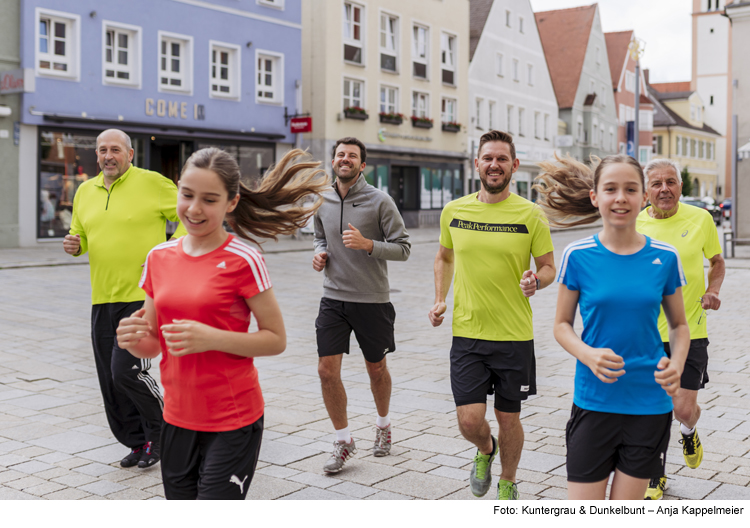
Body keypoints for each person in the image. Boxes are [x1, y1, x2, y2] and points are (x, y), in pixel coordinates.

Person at [116, 147, 328, 499]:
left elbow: (276, 339)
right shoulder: (158, 257)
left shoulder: (244, 258)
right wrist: (133, 338)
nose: (194, 208)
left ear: (231, 202)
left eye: (209, 199)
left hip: (233, 420)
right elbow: (153, 341)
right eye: (187, 195)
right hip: (177, 417)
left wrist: (212, 338)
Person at [534, 154, 690, 500]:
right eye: (611, 189)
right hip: (594, 399)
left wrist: (676, 364)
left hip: (649, 403)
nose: (621, 197)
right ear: (595, 197)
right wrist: (587, 354)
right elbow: (561, 325)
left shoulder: (665, 257)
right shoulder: (578, 255)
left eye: (630, 189)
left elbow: (679, 325)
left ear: (643, 197)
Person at [428, 130, 555, 500]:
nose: (494, 165)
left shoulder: (531, 215)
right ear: (477, 163)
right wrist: (440, 299)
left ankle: (508, 481)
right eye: (488, 158)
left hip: (514, 335)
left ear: (514, 166)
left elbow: (548, 267)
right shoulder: (455, 211)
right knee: (469, 420)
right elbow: (444, 257)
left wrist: (536, 281)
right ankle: (485, 449)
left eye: (502, 159)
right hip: (468, 334)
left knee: (508, 418)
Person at [64, 129, 185, 469]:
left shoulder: (154, 183)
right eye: (102, 150)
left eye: (115, 149)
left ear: (130, 154)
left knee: (125, 372)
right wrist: (75, 246)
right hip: (102, 297)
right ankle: (138, 441)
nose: (107, 155)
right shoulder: (85, 191)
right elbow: (81, 236)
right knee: (110, 381)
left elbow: (189, 218)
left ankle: (164, 431)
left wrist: (166, 250)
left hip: (142, 297)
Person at [313, 137, 410, 473]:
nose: (345, 159)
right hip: (333, 298)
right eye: (340, 154)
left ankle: (383, 426)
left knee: (376, 369)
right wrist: (319, 253)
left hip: (372, 301)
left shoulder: (379, 201)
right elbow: (319, 236)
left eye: (352, 156)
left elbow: (404, 248)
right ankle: (343, 440)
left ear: (362, 164)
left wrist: (369, 244)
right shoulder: (321, 199)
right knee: (326, 371)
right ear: (334, 160)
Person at [636, 159, 725, 500]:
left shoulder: (700, 219)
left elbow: (716, 262)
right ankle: (654, 474)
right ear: (646, 191)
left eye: (671, 182)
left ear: (680, 186)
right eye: (656, 183)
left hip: (689, 330)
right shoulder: (635, 222)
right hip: (644, 334)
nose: (664, 189)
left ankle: (689, 431)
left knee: (682, 409)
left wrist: (713, 290)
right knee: (652, 408)